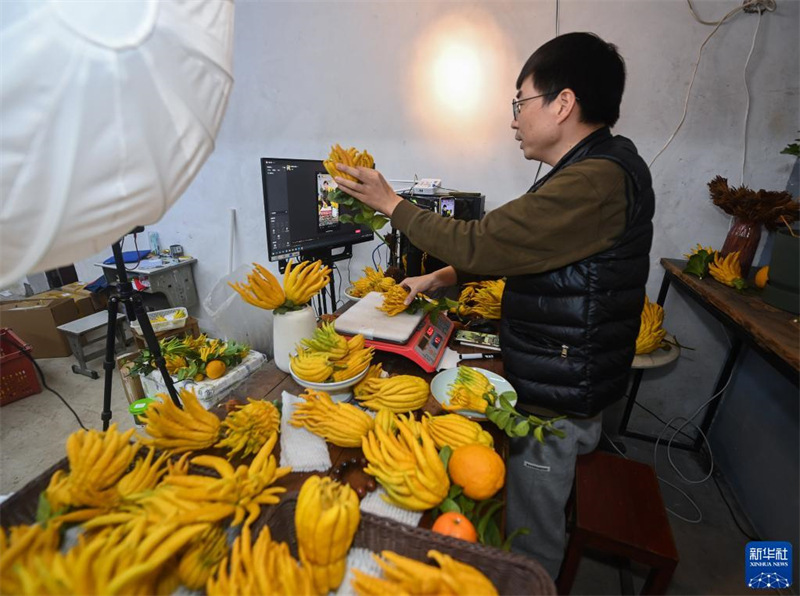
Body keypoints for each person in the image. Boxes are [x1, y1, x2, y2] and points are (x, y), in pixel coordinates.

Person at [334, 32, 654, 579]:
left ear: (563, 103)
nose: (513, 120)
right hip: (563, 377)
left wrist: (392, 203)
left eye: (520, 102)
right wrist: (441, 276)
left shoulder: (595, 180)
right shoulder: (596, 167)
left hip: (557, 397)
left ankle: (530, 584)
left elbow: (483, 240)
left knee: (532, 532)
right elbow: (522, 248)